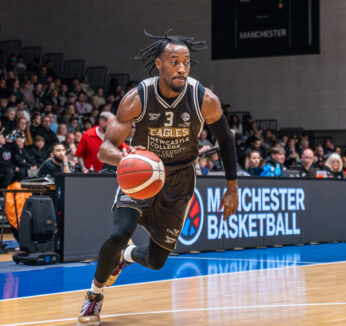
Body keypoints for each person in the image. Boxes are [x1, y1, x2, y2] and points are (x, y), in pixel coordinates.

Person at [77, 30, 239, 325]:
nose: (181, 68)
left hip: (179, 181)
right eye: (174, 61)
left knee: (156, 261)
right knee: (117, 234)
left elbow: (226, 140)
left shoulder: (205, 99)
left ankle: (125, 258)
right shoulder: (137, 98)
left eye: (186, 62)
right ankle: (94, 296)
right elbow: (105, 149)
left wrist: (232, 187)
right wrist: (126, 159)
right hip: (140, 176)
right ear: (159, 64)